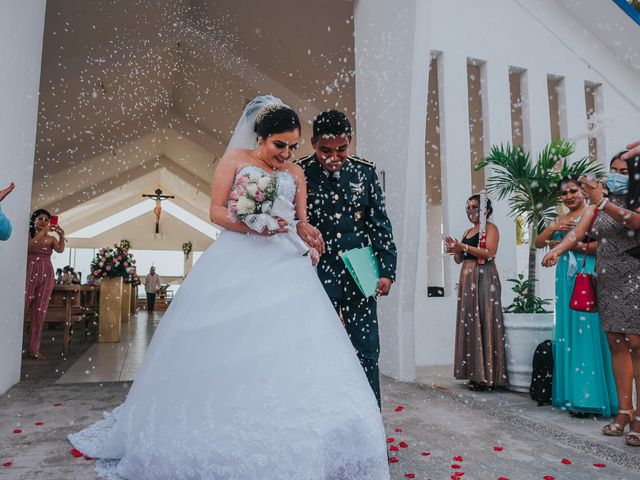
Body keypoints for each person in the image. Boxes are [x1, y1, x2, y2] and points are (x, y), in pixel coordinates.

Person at [68, 96, 390, 479]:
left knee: (303, 347)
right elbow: (217, 211)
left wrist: (308, 231)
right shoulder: (235, 160)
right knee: (233, 343)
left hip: (288, 265)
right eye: (279, 145)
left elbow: (302, 219)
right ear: (261, 136)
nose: (286, 154)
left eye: (292, 146)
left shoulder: (298, 174)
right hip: (239, 256)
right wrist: (252, 224)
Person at [295, 110, 397, 407]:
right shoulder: (299, 172)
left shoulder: (365, 173)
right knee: (316, 345)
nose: (334, 157)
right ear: (313, 143)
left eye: (341, 149)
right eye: (325, 150)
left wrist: (387, 270)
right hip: (316, 271)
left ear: (349, 142)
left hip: (361, 269)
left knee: (366, 348)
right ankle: (321, 412)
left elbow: (380, 224)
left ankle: (369, 420)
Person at [542, 151, 640, 447]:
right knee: (616, 344)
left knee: (637, 345)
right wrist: (558, 250)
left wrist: (602, 201)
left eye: (623, 171)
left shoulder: (624, 201)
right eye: (613, 169)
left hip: (635, 276)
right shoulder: (598, 204)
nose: (616, 175)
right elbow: (578, 234)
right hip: (607, 279)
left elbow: (633, 222)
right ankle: (624, 412)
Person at [534, 176, 617, 417]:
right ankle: (572, 395)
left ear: (582, 191)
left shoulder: (593, 211)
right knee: (568, 332)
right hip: (565, 280)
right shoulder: (560, 219)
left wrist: (569, 245)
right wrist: (553, 229)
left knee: (588, 333)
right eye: (564, 193)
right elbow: (538, 242)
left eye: (573, 191)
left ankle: (591, 397)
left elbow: (604, 246)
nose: (569, 196)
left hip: (587, 274)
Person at [445, 195, 507, 391]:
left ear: (486, 210)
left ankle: (488, 375)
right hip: (468, 278)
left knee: (485, 319)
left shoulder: (490, 228)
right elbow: (459, 259)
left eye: (475, 207)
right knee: (470, 321)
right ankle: (473, 372)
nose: (470, 210)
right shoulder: (468, 231)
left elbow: (489, 252)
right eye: (468, 207)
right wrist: (456, 249)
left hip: (484, 277)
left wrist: (464, 246)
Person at [24, 209, 65, 359]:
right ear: (34, 221)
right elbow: (29, 246)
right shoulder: (29, 235)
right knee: (22, 307)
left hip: (47, 274)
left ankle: (34, 348)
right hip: (30, 271)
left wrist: (61, 236)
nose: (43, 221)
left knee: (40, 312)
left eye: (46, 220)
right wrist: (43, 232)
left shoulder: (51, 239)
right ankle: (11, 344)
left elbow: (60, 250)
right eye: (40, 218)